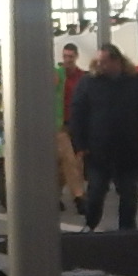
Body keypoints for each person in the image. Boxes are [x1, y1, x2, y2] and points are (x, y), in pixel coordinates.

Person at [69, 43, 138, 231]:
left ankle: (127, 228)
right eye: (98, 61)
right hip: (97, 149)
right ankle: (90, 224)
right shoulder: (88, 83)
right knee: (96, 192)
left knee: (129, 193)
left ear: (117, 61)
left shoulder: (136, 82)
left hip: (128, 148)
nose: (99, 65)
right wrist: (80, 145)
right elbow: (77, 114)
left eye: (104, 62)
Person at [56, 42, 87, 212]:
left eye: (70, 56)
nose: (67, 60)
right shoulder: (57, 75)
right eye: (65, 56)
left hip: (76, 123)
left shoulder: (82, 77)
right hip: (60, 124)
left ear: (76, 57)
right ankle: (78, 196)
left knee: (70, 162)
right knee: (69, 158)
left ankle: (55, 195)